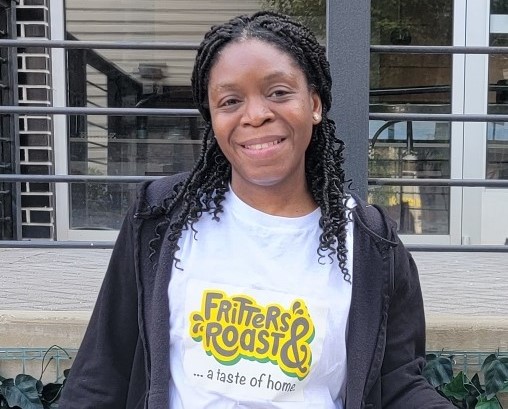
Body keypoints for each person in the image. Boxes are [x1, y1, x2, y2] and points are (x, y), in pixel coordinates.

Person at [59, 11, 454, 409]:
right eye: (230, 101)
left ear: (314, 105)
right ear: (212, 119)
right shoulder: (160, 217)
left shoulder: (370, 243)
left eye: (279, 92)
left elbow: (398, 384)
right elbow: (101, 372)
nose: (255, 115)